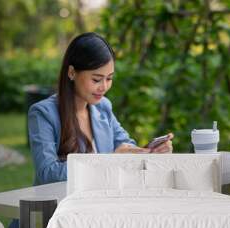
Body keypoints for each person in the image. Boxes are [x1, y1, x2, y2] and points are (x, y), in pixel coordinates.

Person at [28, 32, 173, 186]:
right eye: (96, 79)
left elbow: (125, 145)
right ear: (71, 72)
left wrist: (149, 153)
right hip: (63, 205)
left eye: (109, 78)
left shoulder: (103, 107)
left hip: (102, 201)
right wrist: (110, 160)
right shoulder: (43, 114)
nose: (104, 87)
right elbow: (47, 173)